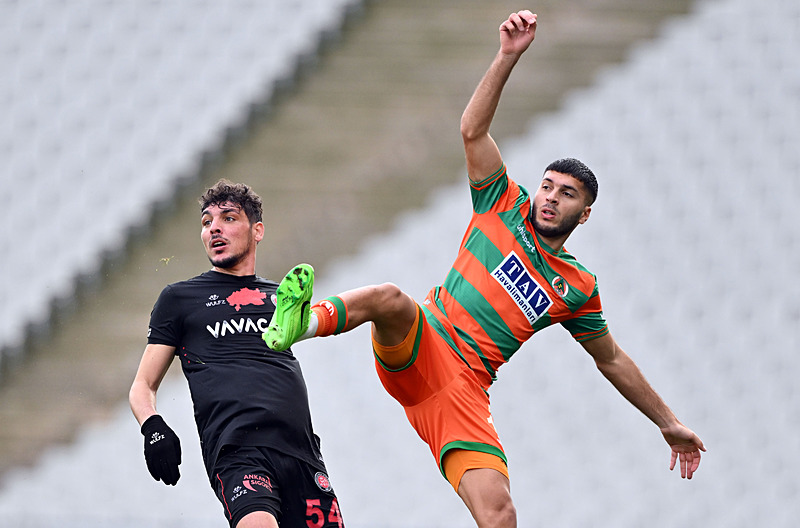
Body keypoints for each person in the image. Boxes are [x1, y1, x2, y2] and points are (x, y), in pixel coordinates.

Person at [263, 10, 705, 528]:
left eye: (566, 195)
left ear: (583, 214)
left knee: (500, 514)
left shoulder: (579, 288)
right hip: (424, 341)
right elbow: (472, 130)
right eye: (548, 185)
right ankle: (300, 323)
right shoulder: (503, 203)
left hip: (464, 390)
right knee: (390, 298)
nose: (550, 198)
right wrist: (507, 56)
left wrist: (668, 423)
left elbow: (611, 360)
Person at [129, 180, 345, 528]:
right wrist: (153, 427)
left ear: (257, 230)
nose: (214, 227)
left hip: (302, 454)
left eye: (228, 218)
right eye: (206, 222)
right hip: (239, 452)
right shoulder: (180, 299)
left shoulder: (281, 297)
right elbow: (142, 385)